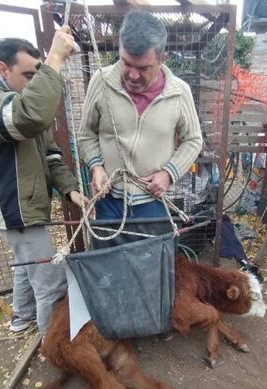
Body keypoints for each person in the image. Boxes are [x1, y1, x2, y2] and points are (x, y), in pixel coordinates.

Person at [0, 27, 87, 335]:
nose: (33, 82)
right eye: (29, 75)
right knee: (49, 283)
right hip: (14, 209)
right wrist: (55, 57)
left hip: (24, 207)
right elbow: (28, 116)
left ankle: (21, 319)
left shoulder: (17, 99)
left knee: (25, 267)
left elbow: (51, 155)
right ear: (3, 69)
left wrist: (70, 189)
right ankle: (53, 346)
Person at [78, 9, 203, 246]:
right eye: (126, 63)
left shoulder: (179, 92)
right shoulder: (101, 82)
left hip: (153, 203)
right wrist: (95, 166)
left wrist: (168, 173)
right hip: (108, 201)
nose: (132, 75)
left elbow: (193, 140)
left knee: (150, 269)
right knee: (107, 269)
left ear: (163, 58)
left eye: (144, 68)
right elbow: (86, 135)